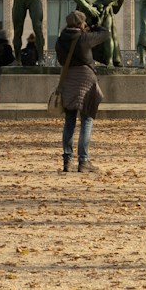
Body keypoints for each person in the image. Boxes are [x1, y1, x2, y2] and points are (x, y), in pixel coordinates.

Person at [54, 10, 107, 173]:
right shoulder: (84, 38)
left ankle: (67, 161)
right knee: (87, 120)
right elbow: (106, 34)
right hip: (85, 78)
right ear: (80, 24)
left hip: (68, 77)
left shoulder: (60, 40)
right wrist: (94, 25)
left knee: (69, 121)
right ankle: (83, 161)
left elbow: (61, 60)